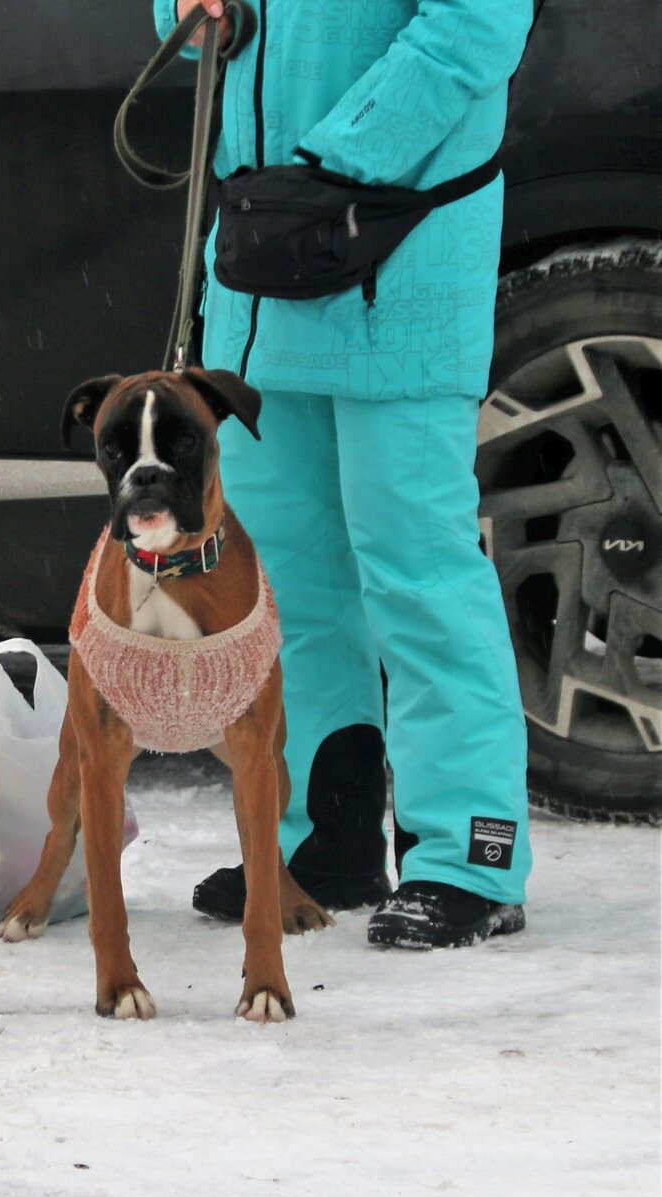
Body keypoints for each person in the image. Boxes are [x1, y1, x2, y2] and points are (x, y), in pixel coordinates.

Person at [152, 0, 534, 948]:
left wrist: (334, 163)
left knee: (415, 565)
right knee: (286, 582)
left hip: (397, 254)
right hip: (268, 268)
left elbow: (472, 31)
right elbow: (198, 21)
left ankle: (469, 856)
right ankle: (322, 839)